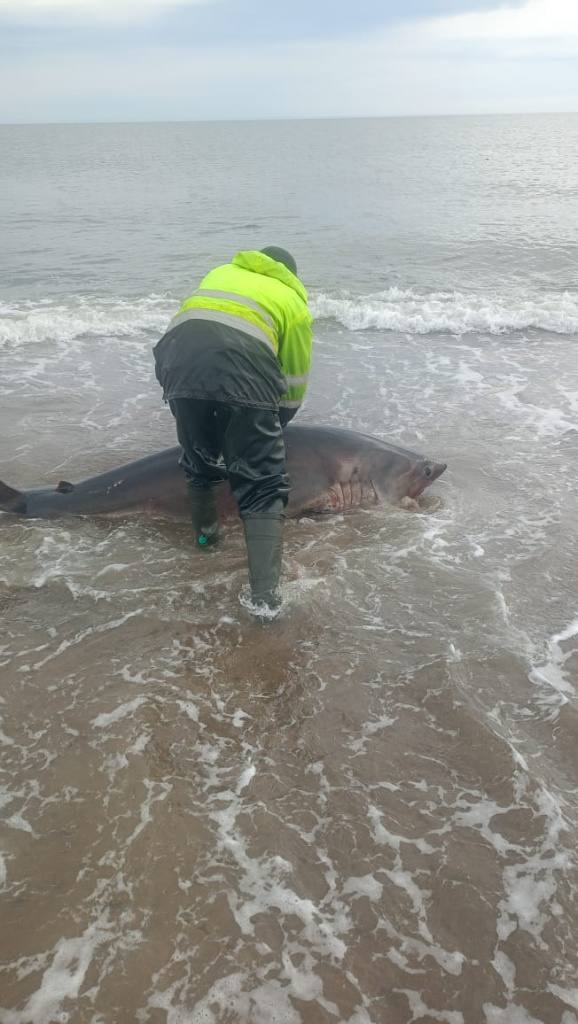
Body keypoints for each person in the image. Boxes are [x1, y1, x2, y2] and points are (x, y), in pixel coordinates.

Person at [153, 247, 313, 617]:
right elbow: (293, 385)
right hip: (243, 361)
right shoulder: (292, 300)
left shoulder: (222, 273)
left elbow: (201, 335)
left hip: (175, 360)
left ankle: (206, 543)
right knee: (263, 486)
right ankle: (266, 604)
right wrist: (269, 433)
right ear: (290, 274)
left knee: (200, 461)